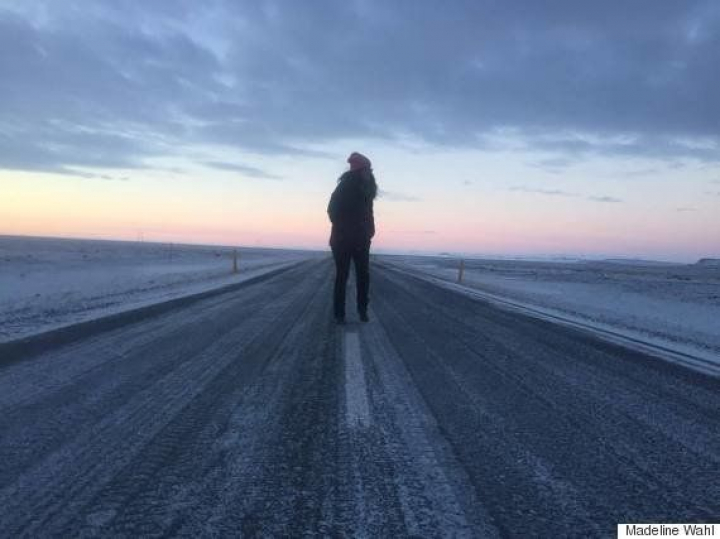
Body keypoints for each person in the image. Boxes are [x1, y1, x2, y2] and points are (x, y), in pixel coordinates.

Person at [327, 152, 377, 324]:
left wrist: (370, 230)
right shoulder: (344, 187)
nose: (370, 172)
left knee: (363, 275)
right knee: (342, 276)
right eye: (367, 169)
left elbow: (369, 213)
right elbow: (332, 210)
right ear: (359, 170)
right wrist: (344, 229)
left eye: (370, 169)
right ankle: (339, 314)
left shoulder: (367, 190)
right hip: (342, 240)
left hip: (361, 239)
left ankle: (362, 310)